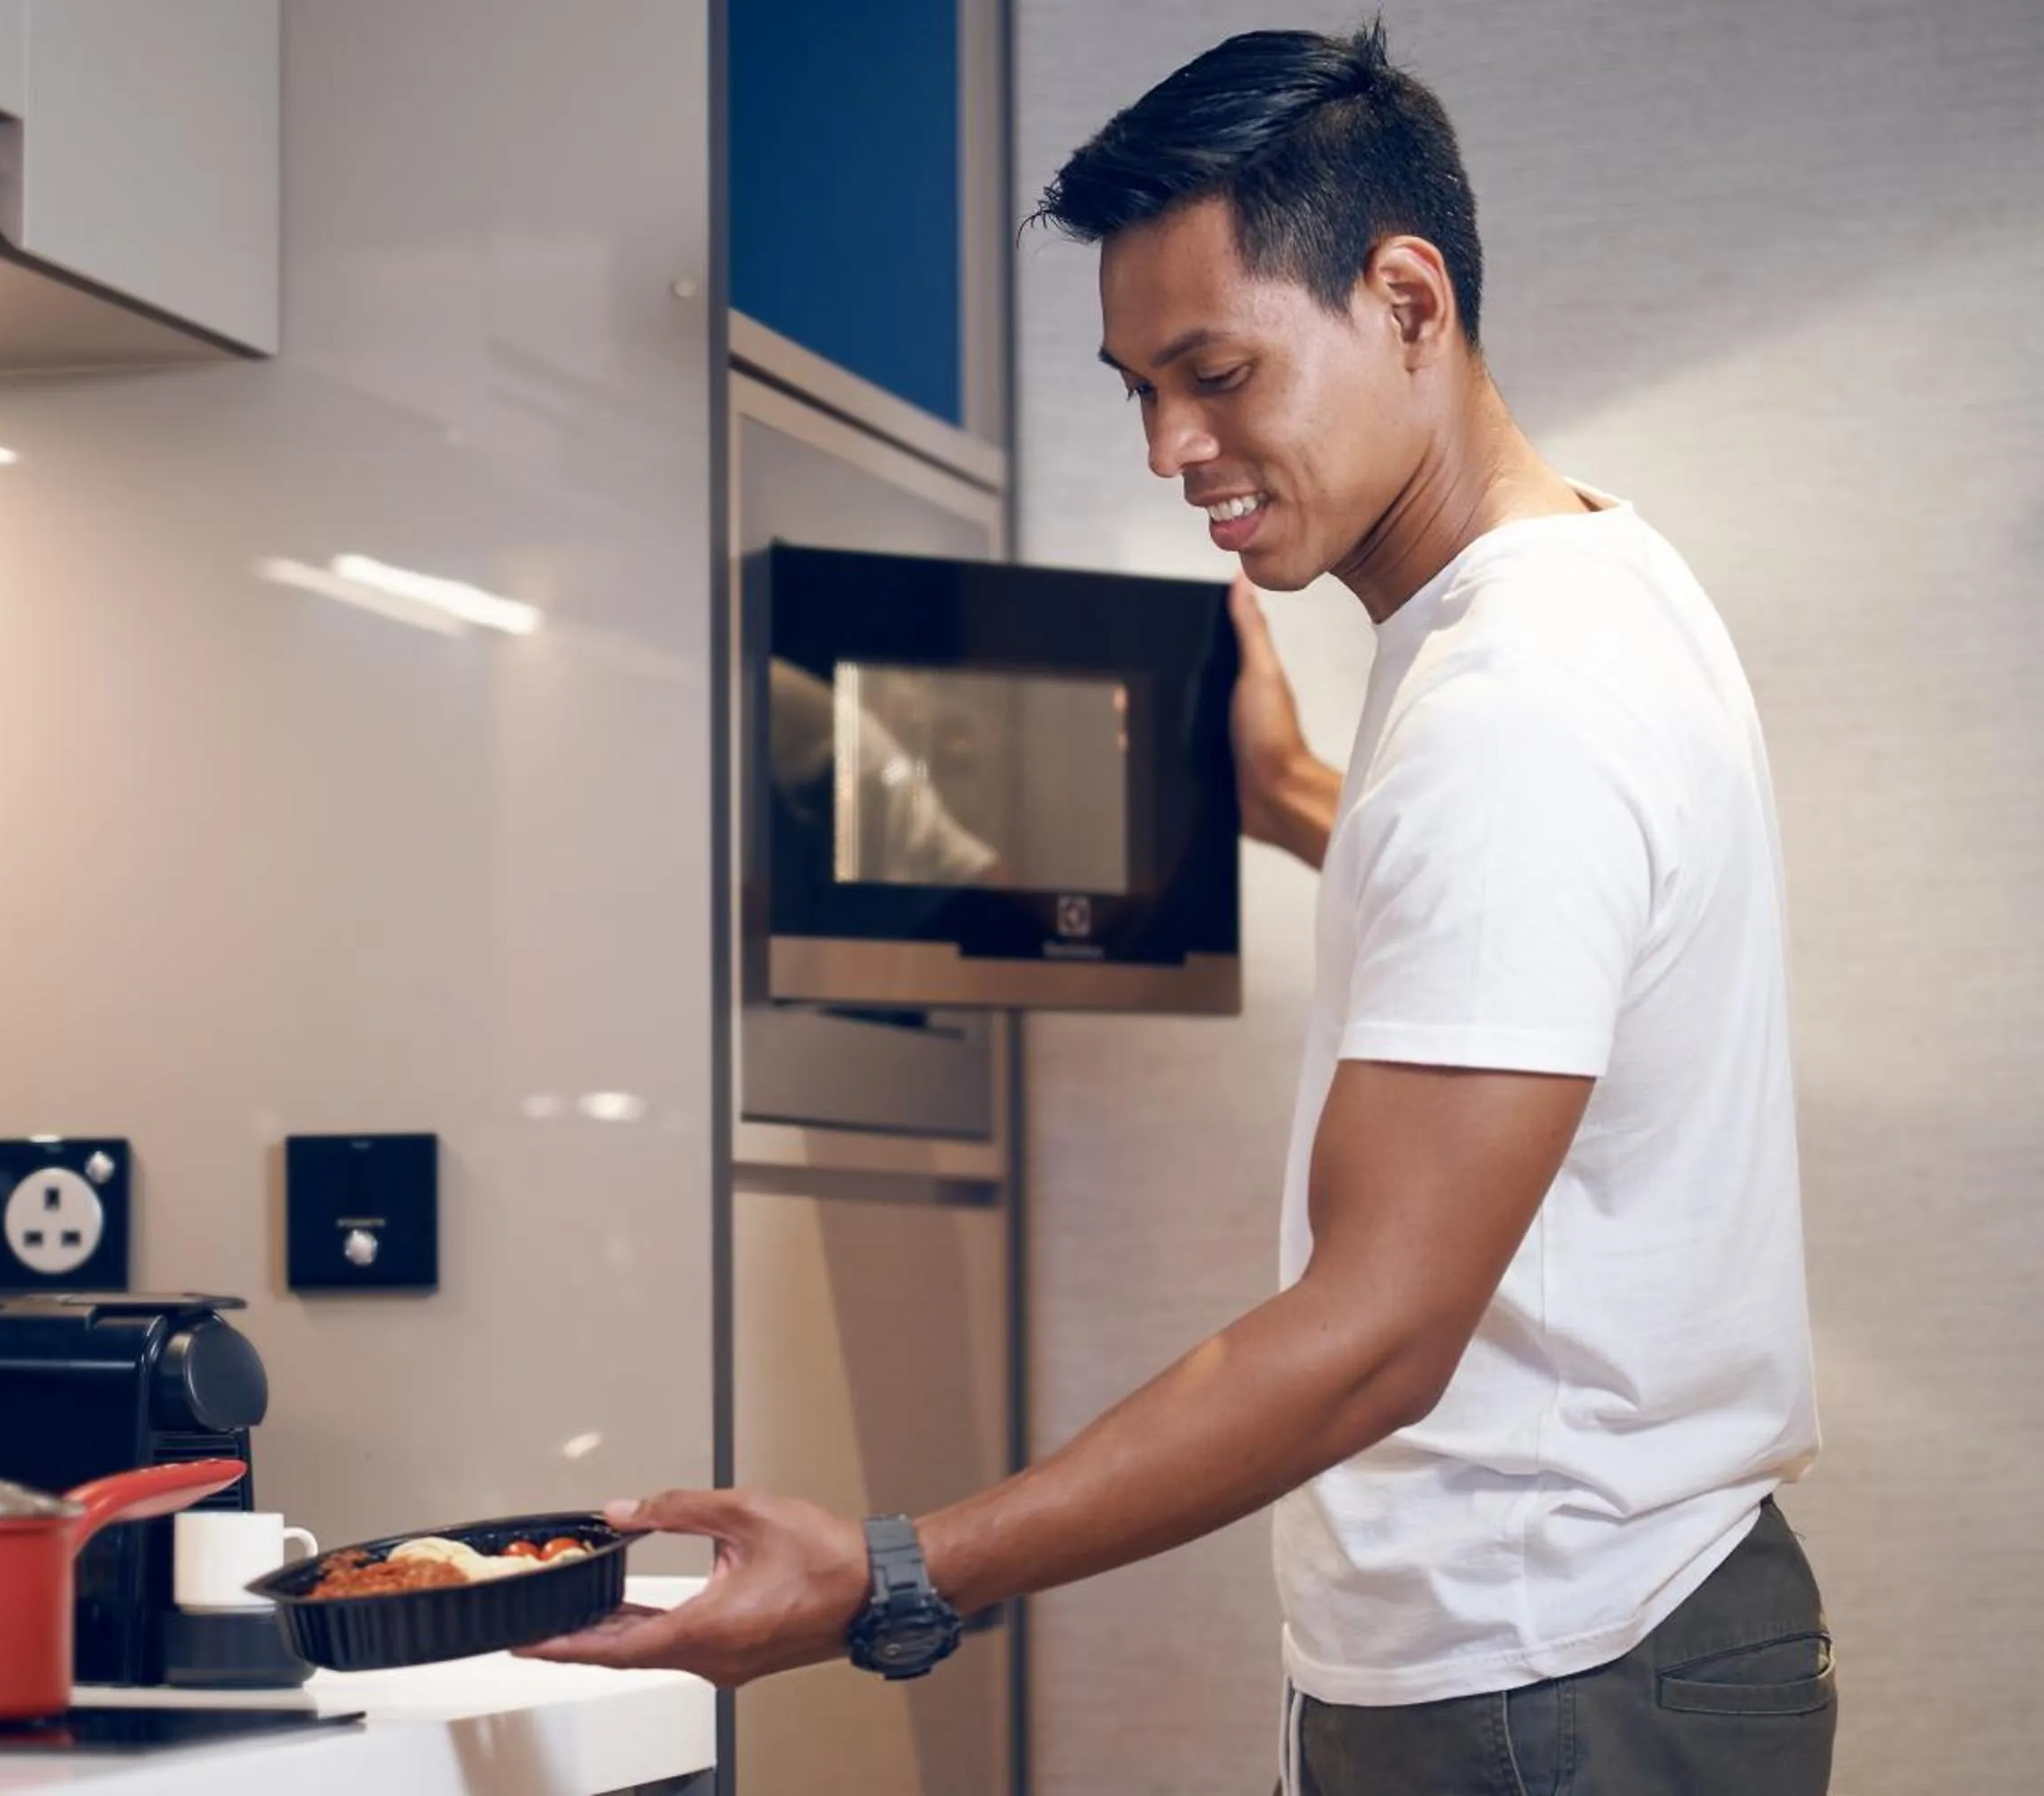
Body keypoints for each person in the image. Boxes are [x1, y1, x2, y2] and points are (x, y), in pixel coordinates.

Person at [525, 21, 1832, 1794]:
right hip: (1572, 1641)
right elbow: (1521, 938)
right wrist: (1294, 795)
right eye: (1138, 385)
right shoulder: (1578, 590)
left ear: (1406, 297)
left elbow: (1375, 1333)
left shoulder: (1518, 703)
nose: (1170, 445)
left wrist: (894, 1574)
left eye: (1216, 371)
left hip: (1551, 1673)